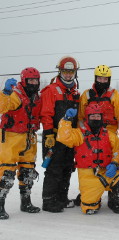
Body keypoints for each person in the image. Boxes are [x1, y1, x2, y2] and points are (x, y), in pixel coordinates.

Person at [56, 104, 119, 215]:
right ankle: (88, 196)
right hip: (88, 175)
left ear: (101, 118)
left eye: (98, 116)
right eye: (92, 116)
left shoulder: (109, 135)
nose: (95, 118)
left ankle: (113, 202)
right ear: (87, 117)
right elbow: (63, 137)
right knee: (89, 209)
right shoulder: (79, 133)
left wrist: (115, 163)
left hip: (106, 172)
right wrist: (66, 120)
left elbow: (118, 152)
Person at [40, 56, 80, 212]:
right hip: (54, 136)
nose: (68, 75)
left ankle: (62, 197)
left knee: (67, 167)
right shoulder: (51, 90)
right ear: (60, 71)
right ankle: (49, 200)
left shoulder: (75, 92)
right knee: (54, 168)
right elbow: (46, 113)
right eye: (65, 71)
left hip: (69, 138)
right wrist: (49, 133)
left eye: (71, 72)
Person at [0, 67, 41, 219]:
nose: (33, 83)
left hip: (29, 137)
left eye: (35, 80)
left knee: (28, 172)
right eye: (30, 80)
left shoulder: (38, 98)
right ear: (23, 81)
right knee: (7, 173)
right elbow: (2, 107)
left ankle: (26, 202)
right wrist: (4, 92)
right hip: (12, 137)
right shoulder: (15, 95)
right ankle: (0, 204)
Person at [78, 65, 119, 143]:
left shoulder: (114, 95)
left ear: (109, 80)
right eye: (100, 78)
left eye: (105, 79)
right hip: (89, 134)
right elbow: (80, 117)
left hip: (109, 134)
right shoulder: (87, 95)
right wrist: (82, 131)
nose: (102, 81)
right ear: (95, 78)